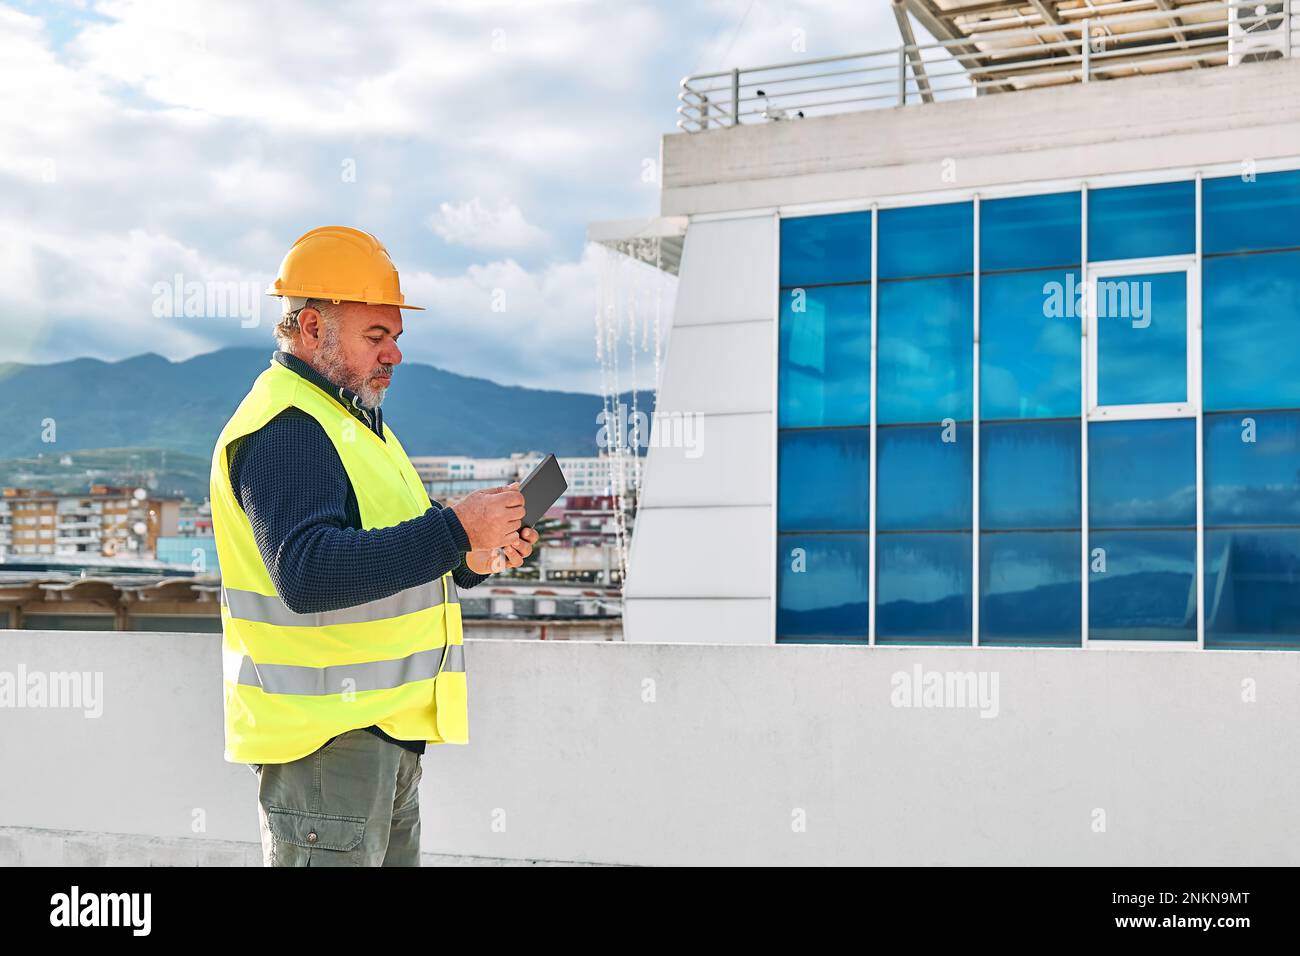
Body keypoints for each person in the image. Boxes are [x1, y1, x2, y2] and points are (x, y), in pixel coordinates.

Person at [209, 225, 537, 865]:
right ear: (309, 330)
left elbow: (383, 555)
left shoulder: (352, 423)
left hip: (375, 734)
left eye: (396, 337)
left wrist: (472, 555)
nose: (394, 355)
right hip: (327, 744)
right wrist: (454, 530)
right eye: (375, 337)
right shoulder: (289, 427)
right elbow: (307, 574)